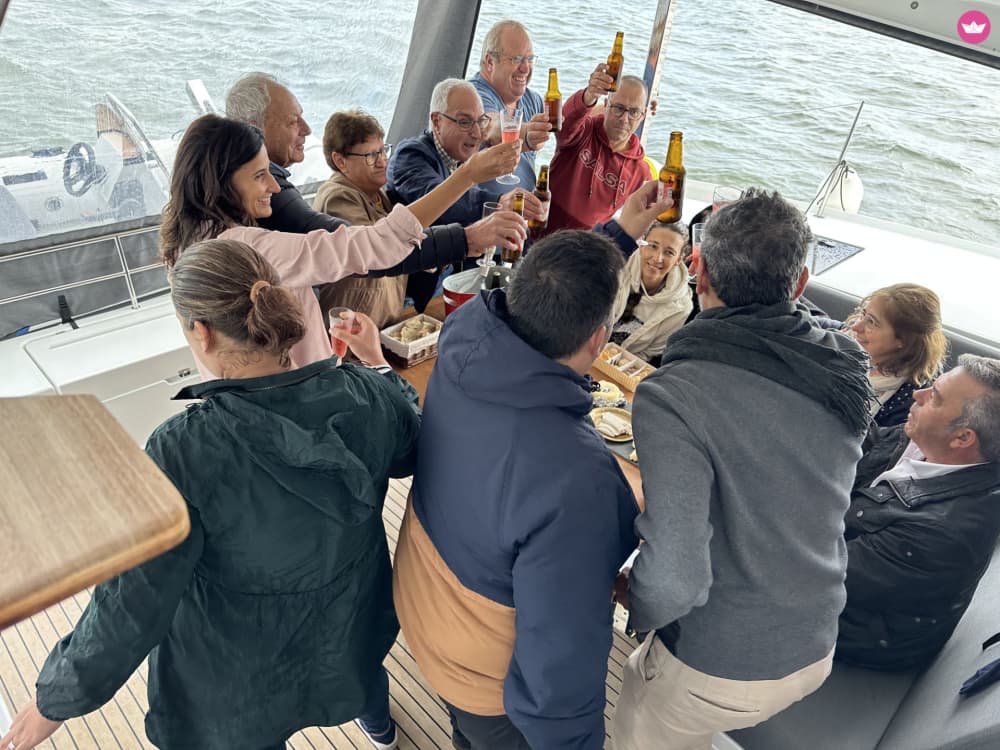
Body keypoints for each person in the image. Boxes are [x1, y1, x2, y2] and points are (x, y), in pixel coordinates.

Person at [0, 239, 420, 750]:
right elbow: (411, 450)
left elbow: (134, 603)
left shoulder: (181, 451)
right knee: (358, 675)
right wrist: (376, 364)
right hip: (348, 626)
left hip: (241, 669)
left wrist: (54, 700)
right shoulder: (368, 395)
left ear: (200, 333)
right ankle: (380, 727)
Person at [613, 189, 873, 750]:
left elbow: (676, 576)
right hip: (816, 639)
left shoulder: (675, 394)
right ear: (800, 283)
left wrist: (636, 604)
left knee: (647, 702)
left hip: (721, 661)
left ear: (696, 269)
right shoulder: (845, 363)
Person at [393, 231, 640, 750]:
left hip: (421, 603)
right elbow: (562, 652)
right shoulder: (578, 480)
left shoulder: (461, 338)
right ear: (598, 340)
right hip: (481, 669)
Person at [159, 113, 518, 377]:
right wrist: (467, 175)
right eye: (259, 175)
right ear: (218, 183)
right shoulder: (246, 249)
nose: (273, 186)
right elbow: (375, 246)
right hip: (304, 400)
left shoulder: (186, 243)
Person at [225, 72, 515, 308]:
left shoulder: (376, 194)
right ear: (254, 128)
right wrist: (467, 232)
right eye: (292, 121)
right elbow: (365, 248)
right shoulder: (332, 194)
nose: (306, 129)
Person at [837, 355, 1000, 671]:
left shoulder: (941, 532)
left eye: (934, 397)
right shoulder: (932, 440)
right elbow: (864, 445)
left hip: (853, 632)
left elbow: (815, 573)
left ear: (962, 438)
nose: (918, 394)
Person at [313, 109, 525, 327]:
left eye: (383, 151)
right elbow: (378, 249)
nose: (382, 162)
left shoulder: (378, 195)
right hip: (350, 331)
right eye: (370, 156)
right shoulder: (337, 197)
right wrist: (465, 239)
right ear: (340, 161)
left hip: (381, 323)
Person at [387, 78, 544, 228]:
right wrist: (500, 203)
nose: (476, 133)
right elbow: (441, 204)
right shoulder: (409, 156)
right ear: (436, 122)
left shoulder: (459, 155)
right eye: (464, 122)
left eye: (481, 121)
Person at [545, 68, 651, 235]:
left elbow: (636, 222)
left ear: (643, 115)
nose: (624, 118)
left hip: (586, 247)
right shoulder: (583, 131)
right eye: (619, 108)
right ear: (607, 105)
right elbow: (563, 125)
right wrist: (589, 95)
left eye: (633, 112)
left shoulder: (641, 172)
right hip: (543, 234)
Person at [845, 283, 948, 427]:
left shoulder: (909, 400)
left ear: (904, 341)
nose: (856, 327)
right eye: (863, 314)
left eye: (872, 322)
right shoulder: (843, 337)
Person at [470, 20, 552, 192]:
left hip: (522, 211)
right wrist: (528, 136)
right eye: (517, 59)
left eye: (529, 59)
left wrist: (589, 99)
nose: (525, 68)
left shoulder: (534, 101)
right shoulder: (473, 95)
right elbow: (490, 128)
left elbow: (566, 130)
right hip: (483, 211)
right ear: (490, 62)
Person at [609, 221, 692, 364]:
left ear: (679, 259)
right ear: (641, 245)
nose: (658, 258)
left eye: (669, 252)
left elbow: (646, 353)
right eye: (653, 246)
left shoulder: (682, 307)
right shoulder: (616, 264)